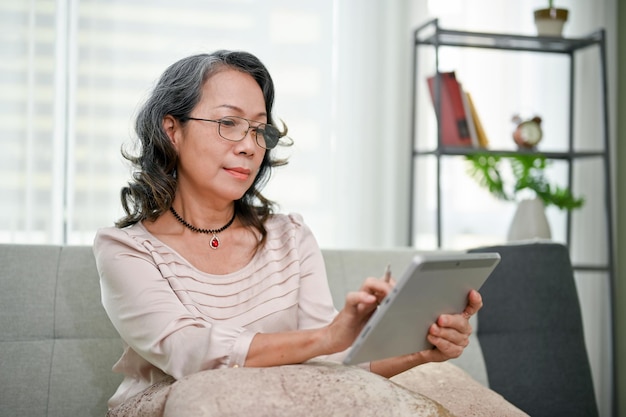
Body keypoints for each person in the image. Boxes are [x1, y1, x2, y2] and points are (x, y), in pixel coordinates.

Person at [93, 50, 483, 411]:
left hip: (287, 403)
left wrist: (422, 351)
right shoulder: (125, 250)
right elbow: (189, 353)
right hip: (185, 407)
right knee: (207, 394)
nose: (249, 146)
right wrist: (328, 336)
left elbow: (330, 365)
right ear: (172, 130)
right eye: (229, 123)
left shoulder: (290, 237)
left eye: (260, 130)